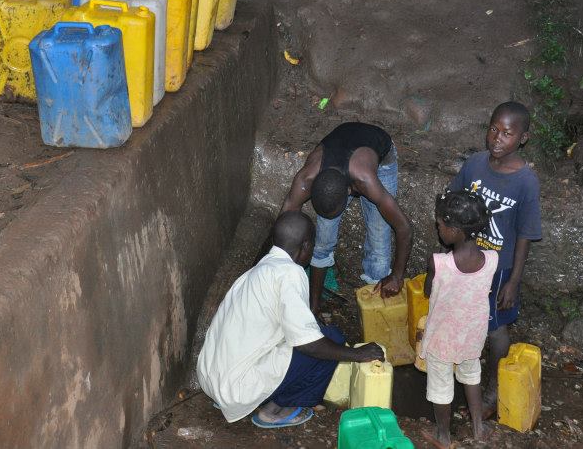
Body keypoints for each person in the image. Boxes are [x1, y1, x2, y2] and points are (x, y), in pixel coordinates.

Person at [197, 211, 384, 429]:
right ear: (305, 246)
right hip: (236, 388)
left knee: (315, 338)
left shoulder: (259, 269)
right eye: (312, 247)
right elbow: (308, 344)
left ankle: (235, 399)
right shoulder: (290, 273)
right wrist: (357, 354)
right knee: (332, 338)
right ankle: (275, 410)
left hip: (211, 378)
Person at [448, 101, 542, 417]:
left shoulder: (525, 181)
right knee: (465, 317)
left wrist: (514, 280)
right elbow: (453, 201)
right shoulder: (475, 164)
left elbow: (527, 233)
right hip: (468, 261)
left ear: (523, 138)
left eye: (507, 133)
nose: (497, 139)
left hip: (498, 269)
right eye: (493, 129)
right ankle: (460, 375)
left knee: (495, 329)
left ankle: (491, 392)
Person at [280, 122, 412, 314]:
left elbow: (404, 228)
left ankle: (374, 311)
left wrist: (397, 276)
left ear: (350, 192)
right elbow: (283, 226)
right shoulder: (306, 179)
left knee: (379, 243)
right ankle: (314, 306)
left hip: (380, 156)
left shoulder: (366, 181)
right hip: (342, 144)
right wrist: (269, 268)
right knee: (323, 240)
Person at [421, 190, 497, 448]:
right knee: (471, 374)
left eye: (440, 224)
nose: (438, 227)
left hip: (443, 337)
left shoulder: (438, 263)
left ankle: (443, 436)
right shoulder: (492, 259)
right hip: (473, 334)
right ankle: (478, 428)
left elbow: (427, 291)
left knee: (441, 385)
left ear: (454, 230)